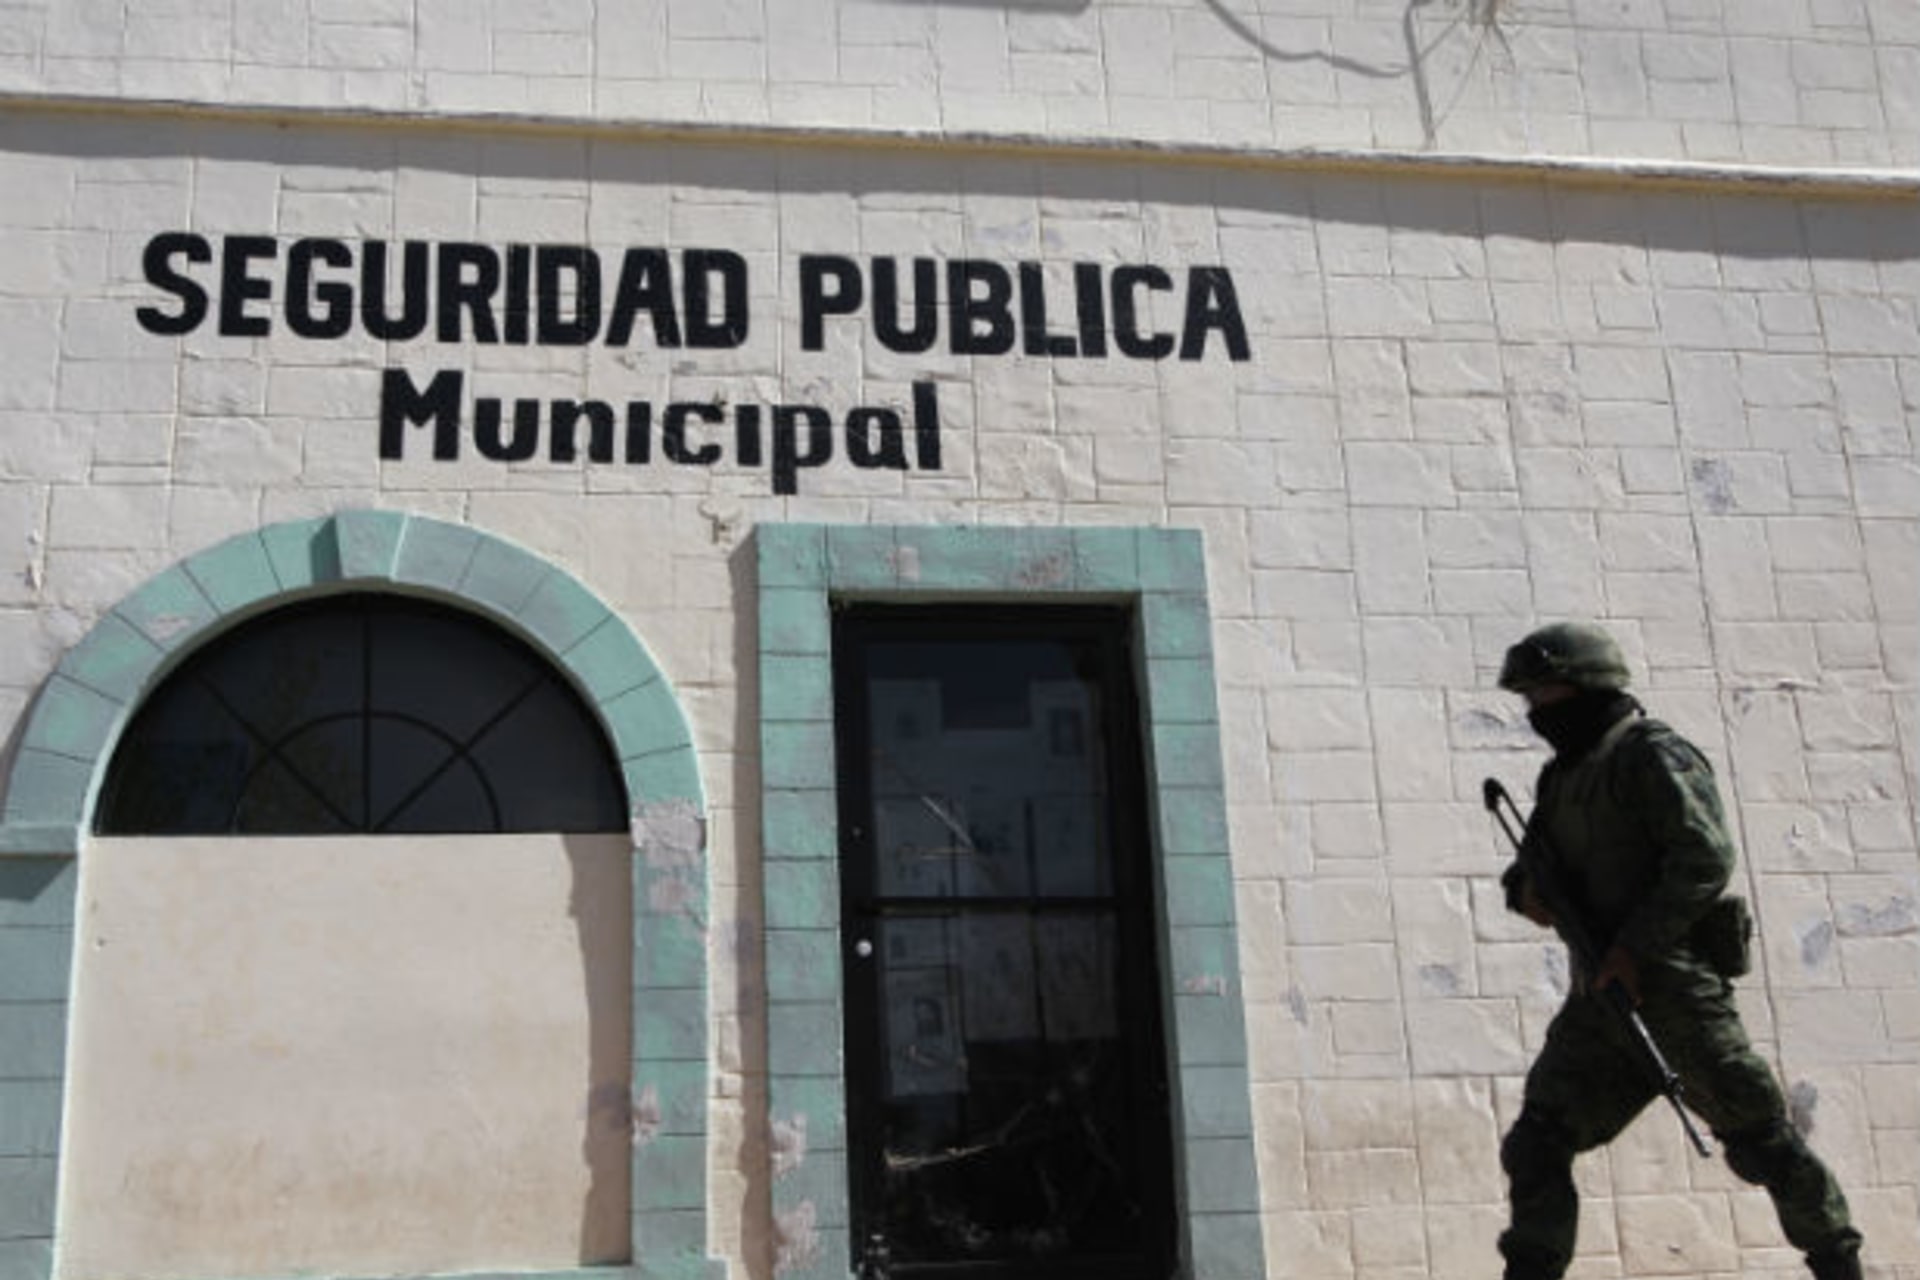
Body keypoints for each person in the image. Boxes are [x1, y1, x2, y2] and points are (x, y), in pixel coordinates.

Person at [1493, 621, 1864, 1280]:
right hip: (1600, 1002)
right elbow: (1532, 867)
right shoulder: (1561, 778)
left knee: (1761, 1141)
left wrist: (1633, 950)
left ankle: (1838, 1262)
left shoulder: (1652, 755)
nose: (1536, 713)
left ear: (1585, 687)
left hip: (1675, 987)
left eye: (1544, 695)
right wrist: (1528, 892)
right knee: (1538, 1140)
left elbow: (1703, 857)